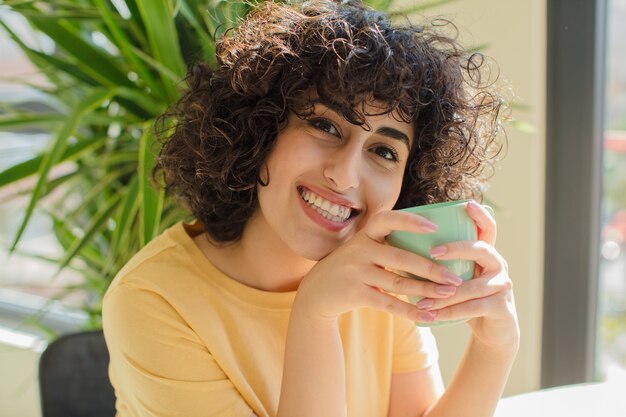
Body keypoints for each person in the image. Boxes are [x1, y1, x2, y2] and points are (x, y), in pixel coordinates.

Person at [102, 0, 519, 416]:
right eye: (324, 125)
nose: (345, 175)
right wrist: (314, 315)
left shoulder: (384, 276)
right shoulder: (152, 300)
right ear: (261, 130)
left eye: (385, 152)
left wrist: (494, 348)